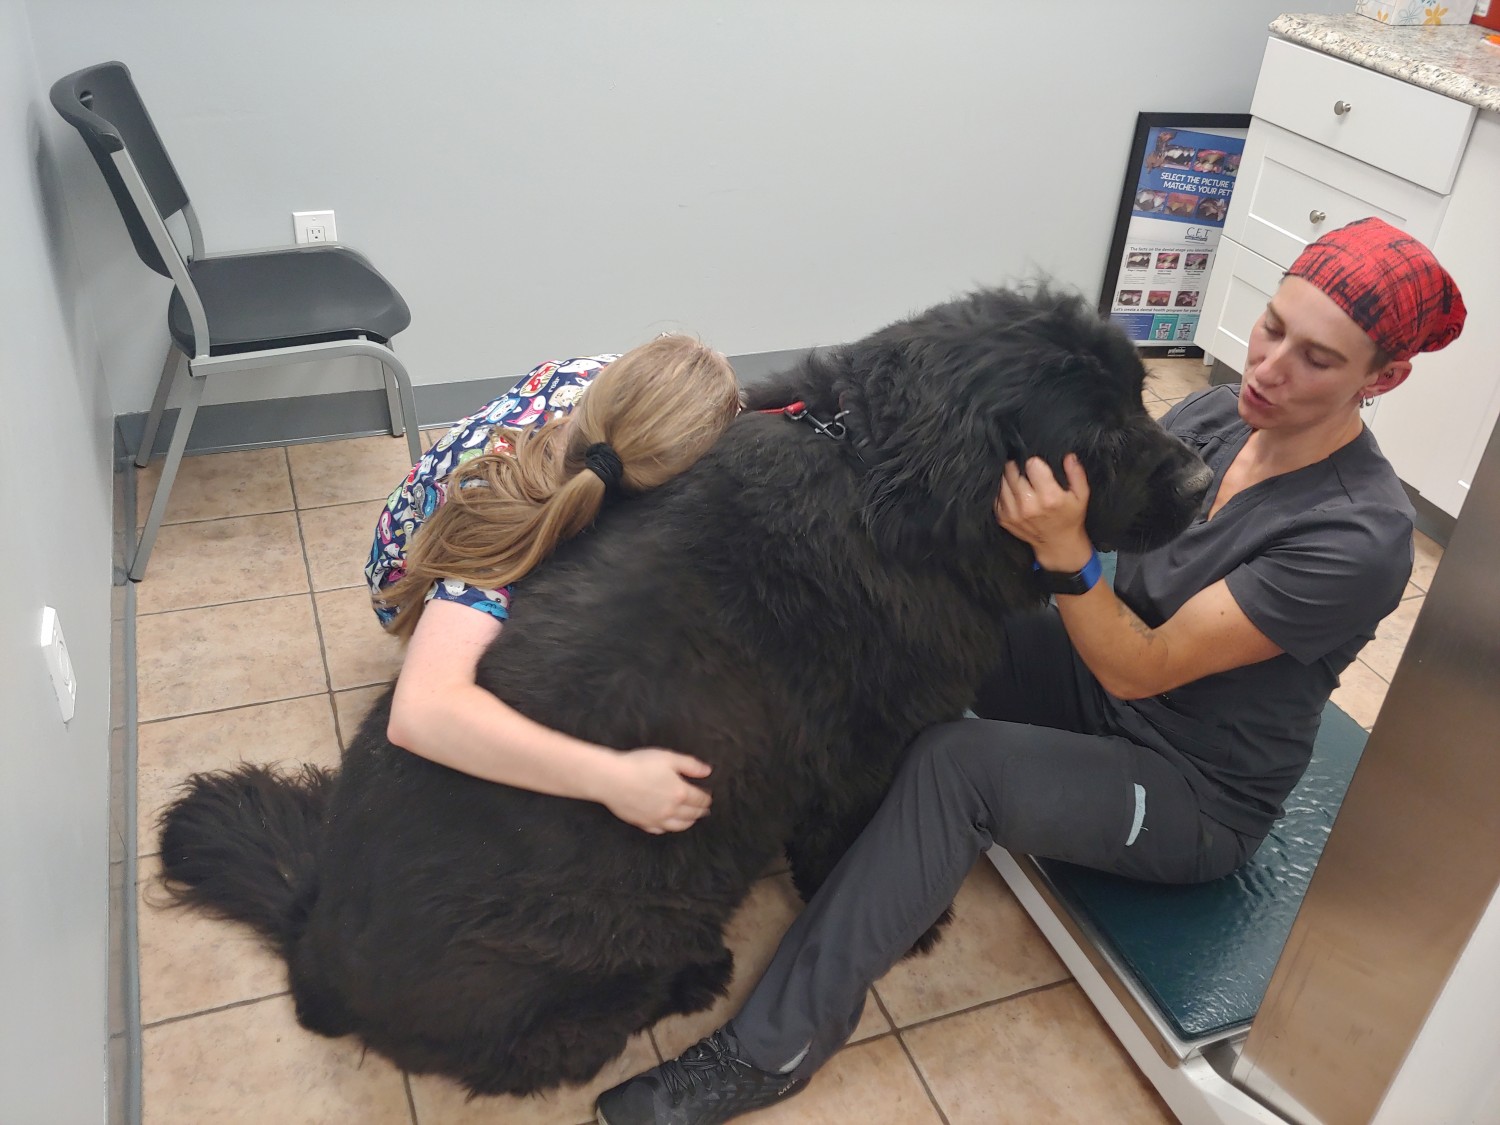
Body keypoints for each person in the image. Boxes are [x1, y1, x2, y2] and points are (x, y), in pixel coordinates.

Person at [594, 216, 1468, 1123]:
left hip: (1187, 785)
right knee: (929, 622)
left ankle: (770, 1048)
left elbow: (1142, 664)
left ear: (1384, 377)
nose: (1270, 367)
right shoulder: (1220, 414)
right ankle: (802, 808)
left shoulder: (1356, 538)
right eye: (1274, 325)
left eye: (1317, 359)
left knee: (954, 762)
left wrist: (1064, 551)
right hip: (1095, 681)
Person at [365, 334, 742, 834]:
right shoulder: (501, 526)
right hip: (410, 570)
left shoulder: (597, 381)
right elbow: (420, 713)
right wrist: (614, 779)